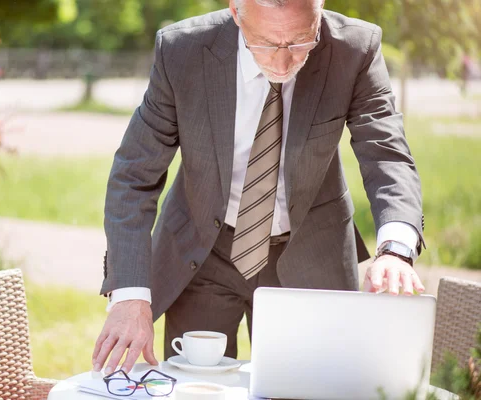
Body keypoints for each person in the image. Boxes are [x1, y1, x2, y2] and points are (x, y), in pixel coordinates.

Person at [92, 0, 426, 376]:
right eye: (266, 44)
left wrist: (396, 249)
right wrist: (130, 295)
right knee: (194, 388)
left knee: (315, 385)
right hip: (203, 255)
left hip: (310, 253)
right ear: (236, 12)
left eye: (301, 40)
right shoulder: (182, 51)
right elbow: (133, 175)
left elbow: (387, 155)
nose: (283, 64)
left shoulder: (355, 49)